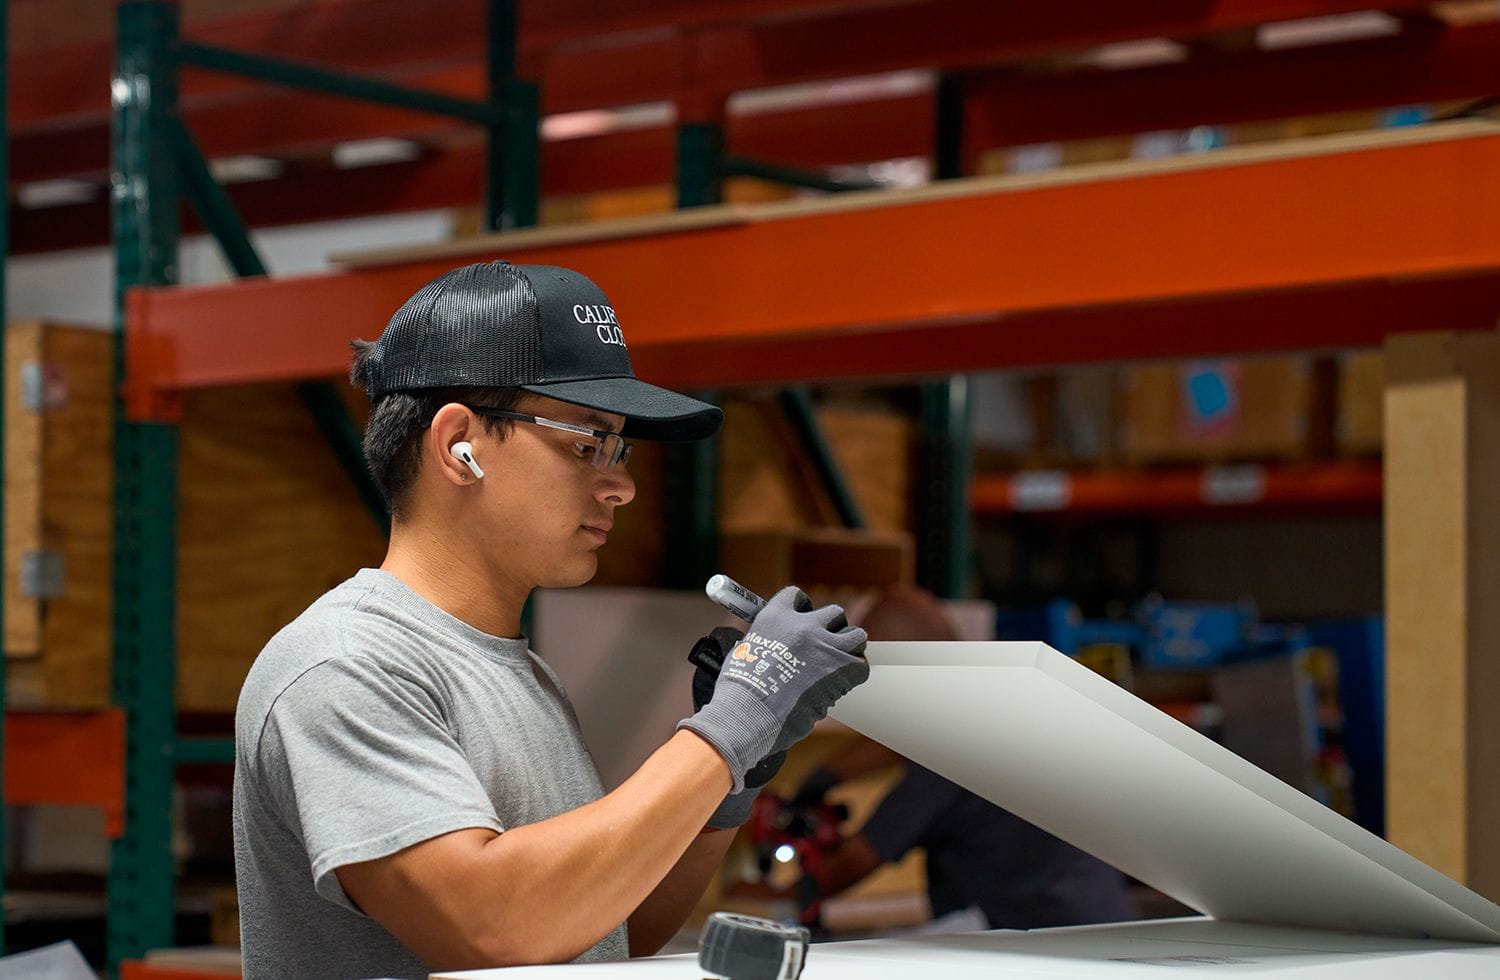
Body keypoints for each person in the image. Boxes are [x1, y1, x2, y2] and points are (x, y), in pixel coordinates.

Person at [231, 260, 870, 980]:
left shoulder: (519, 672)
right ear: (457, 446)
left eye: (620, 447)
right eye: (585, 442)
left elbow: (610, 926)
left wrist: (733, 780)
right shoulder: (344, 664)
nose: (622, 483)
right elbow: (491, 929)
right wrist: (725, 732)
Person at [789, 586, 1134, 932]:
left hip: (1049, 942)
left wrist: (768, 897)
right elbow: (903, 741)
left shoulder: (953, 750)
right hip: (1097, 918)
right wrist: (828, 774)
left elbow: (855, 862)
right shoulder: (998, 700)